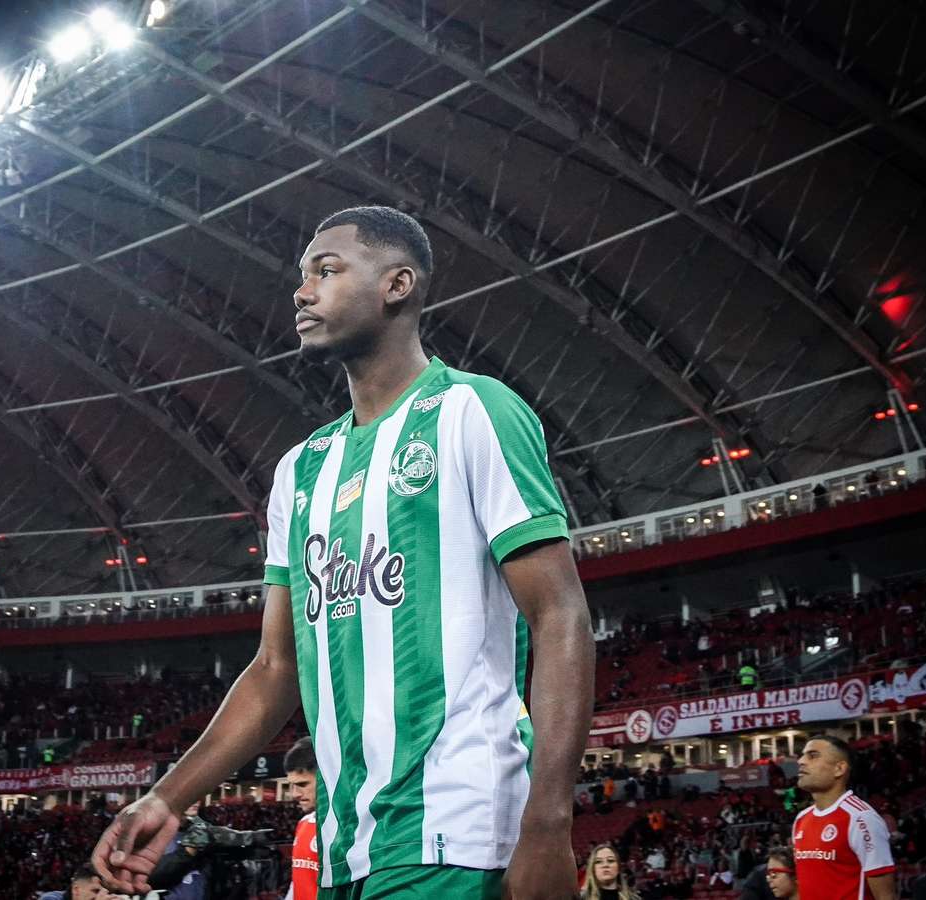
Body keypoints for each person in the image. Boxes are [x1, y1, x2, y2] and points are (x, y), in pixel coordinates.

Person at [90, 206, 596, 899]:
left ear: (397, 285)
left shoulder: (473, 410)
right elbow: (276, 668)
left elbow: (560, 615)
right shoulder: (300, 469)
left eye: (325, 271)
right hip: (343, 846)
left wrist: (548, 824)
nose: (302, 292)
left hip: (459, 826)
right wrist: (167, 797)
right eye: (301, 277)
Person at [792, 735, 896, 900]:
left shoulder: (861, 818)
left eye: (813, 755)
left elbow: (885, 896)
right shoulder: (801, 819)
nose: (801, 761)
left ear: (839, 769)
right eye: (802, 755)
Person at [284, 737, 319, 900]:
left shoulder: (350, 829)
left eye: (302, 784)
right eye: (292, 785)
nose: (295, 794)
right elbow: (298, 882)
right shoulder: (303, 824)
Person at [39, 861, 124, 899]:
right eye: (96, 891)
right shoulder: (50, 898)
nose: (102, 896)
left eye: (107, 892)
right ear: (76, 890)